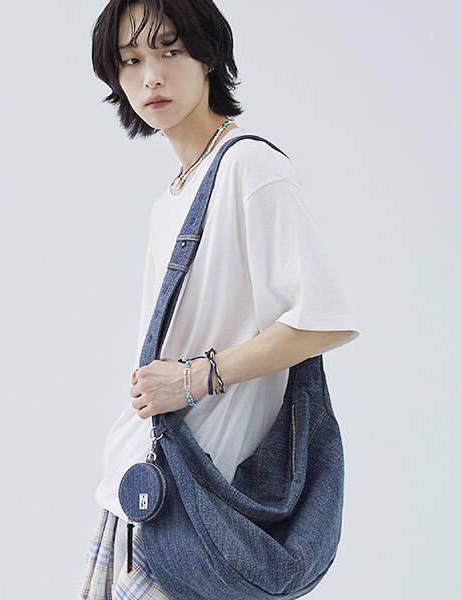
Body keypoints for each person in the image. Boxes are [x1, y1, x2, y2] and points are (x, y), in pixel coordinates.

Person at [79, 1, 361, 598]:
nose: (151, 76)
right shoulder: (170, 200)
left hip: (208, 502)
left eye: (170, 50)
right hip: (144, 492)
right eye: (130, 60)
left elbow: (324, 321)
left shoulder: (251, 168)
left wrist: (193, 379)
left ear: (208, 56)